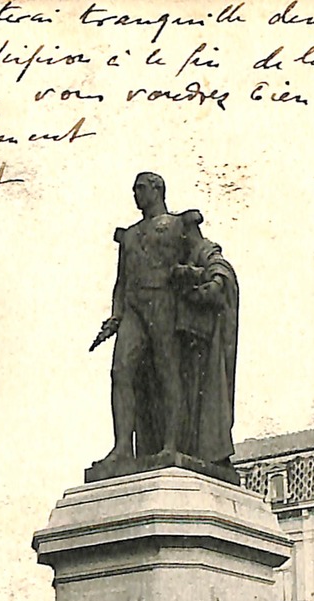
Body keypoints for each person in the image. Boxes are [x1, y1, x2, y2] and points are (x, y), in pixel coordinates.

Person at [91, 172, 203, 463]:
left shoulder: (180, 224)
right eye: (134, 190)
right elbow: (121, 280)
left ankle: (171, 444)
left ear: (157, 189)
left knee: (168, 371)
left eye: (140, 188)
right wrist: (116, 315)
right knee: (121, 371)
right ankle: (122, 448)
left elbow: (201, 258)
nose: (136, 194)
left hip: (165, 302)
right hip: (134, 308)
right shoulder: (128, 235)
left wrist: (194, 276)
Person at [172, 217, 238, 466]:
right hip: (189, 340)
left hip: (203, 340)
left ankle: (210, 450)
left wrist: (195, 287)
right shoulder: (189, 257)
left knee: (204, 396)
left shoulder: (208, 252)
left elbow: (220, 281)